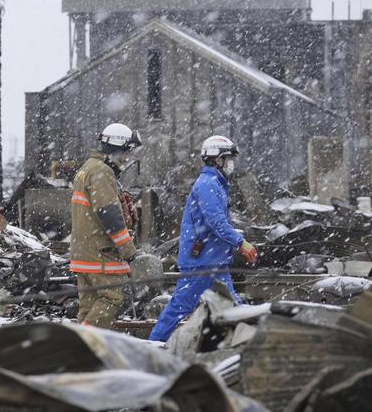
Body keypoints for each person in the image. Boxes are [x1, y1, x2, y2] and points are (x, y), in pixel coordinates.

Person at [149, 135, 258, 342]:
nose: (231, 163)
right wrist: (240, 242)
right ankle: (153, 345)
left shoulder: (216, 183)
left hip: (213, 261)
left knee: (231, 307)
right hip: (202, 263)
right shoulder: (208, 184)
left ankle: (243, 344)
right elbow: (217, 223)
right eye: (229, 158)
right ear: (218, 159)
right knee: (181, 307)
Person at [70, 122, 143, 328]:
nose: (127, 158)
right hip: (99, 252)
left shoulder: (87, 168)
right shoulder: (101, 172)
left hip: (83, 250)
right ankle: (88, 339)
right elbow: (109, 214)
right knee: (112, 297)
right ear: (116, 149)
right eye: (126, 152)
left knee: (88, 306)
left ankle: (80, 345)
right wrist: (128, 250)